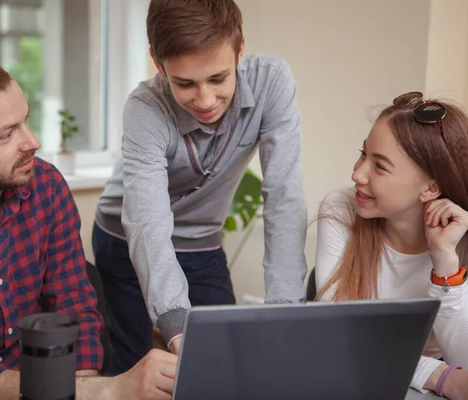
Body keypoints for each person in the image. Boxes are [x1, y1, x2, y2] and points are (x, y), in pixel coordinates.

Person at [0, 49, 177, 400]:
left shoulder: (45, 186)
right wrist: (106, 391)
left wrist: (81, 388)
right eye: (6, 135)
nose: (33, 142)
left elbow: (73, 304)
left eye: (25, 120)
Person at [93, 0, 307, 375]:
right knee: (135, 365)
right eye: (184, 83)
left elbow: (284, 197)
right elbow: (148, 222)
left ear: (240, 49)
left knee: (224, 358)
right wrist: (174, 325)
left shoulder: (272, 82)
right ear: (159, 65)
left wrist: (285, 309)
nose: (205, 100)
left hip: (202, 242)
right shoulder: (145, 108)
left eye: (218, 78)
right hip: (125, 241)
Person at [315, 91, 468, 399]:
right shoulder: (340, 210)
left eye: (379, 166)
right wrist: (439, 377)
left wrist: (444, 262)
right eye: (363, 154)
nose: (357, 173)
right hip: (360, 376)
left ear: (430, 187)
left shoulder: (464, 235)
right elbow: (335, 335)